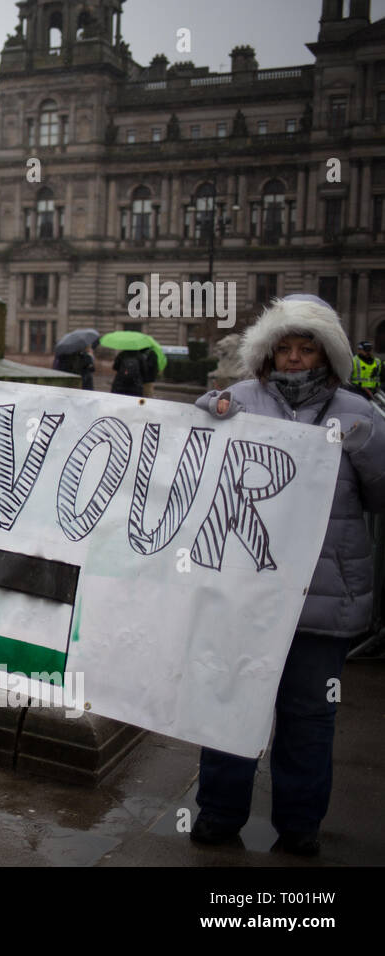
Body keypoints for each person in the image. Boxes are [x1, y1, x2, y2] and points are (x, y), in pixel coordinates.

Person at [190, 293, 385, 857]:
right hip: (244, 593)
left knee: (309, 715)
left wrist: (369, 443)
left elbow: (381, 496)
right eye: (286, 347)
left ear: (328, 355)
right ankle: (217, 815)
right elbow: (190, 455)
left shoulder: (359, 414)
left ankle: (300, 825)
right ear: (268, 352)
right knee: (229, 705)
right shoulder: (238, 401)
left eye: (308, 348)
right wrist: (208, 409)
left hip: (323, 600)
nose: (296, 358)